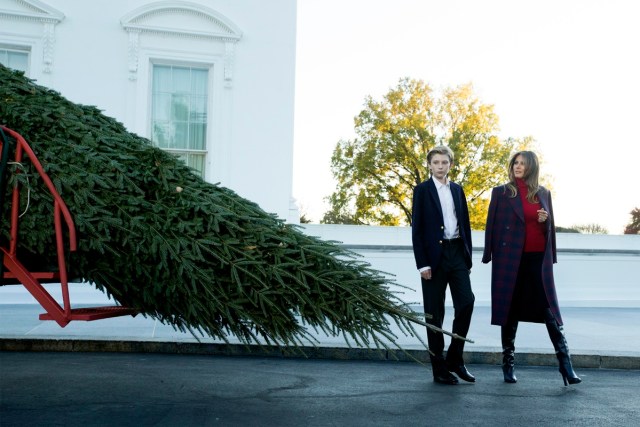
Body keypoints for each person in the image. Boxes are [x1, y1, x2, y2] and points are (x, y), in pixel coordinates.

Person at [482, 151, 581, 386]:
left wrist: (545, 221)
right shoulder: (501, 192)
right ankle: (508, 364)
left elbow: (551, 229)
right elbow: (491, 225)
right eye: (515, 163)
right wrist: (489, 255)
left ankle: (565, 366)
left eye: (523, 164)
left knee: (549, 310)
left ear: (532, 167)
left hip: (538, 260)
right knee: (510, 309)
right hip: (510, 259)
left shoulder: (543, 193)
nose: (517, 166)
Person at [412, 145, 475, 385]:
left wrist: (466, 257)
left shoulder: (458, 190)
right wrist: (422, 264)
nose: (440, 166)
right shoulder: (422, 191)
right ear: (429, 165)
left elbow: (465, 225)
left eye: (444, 162)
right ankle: (439, 368)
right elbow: (417, 230)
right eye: (436, 162)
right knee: (434, 313)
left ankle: (455, 359)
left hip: (457, 252)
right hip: (433, 259)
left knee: (467, 302)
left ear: (450, 164)